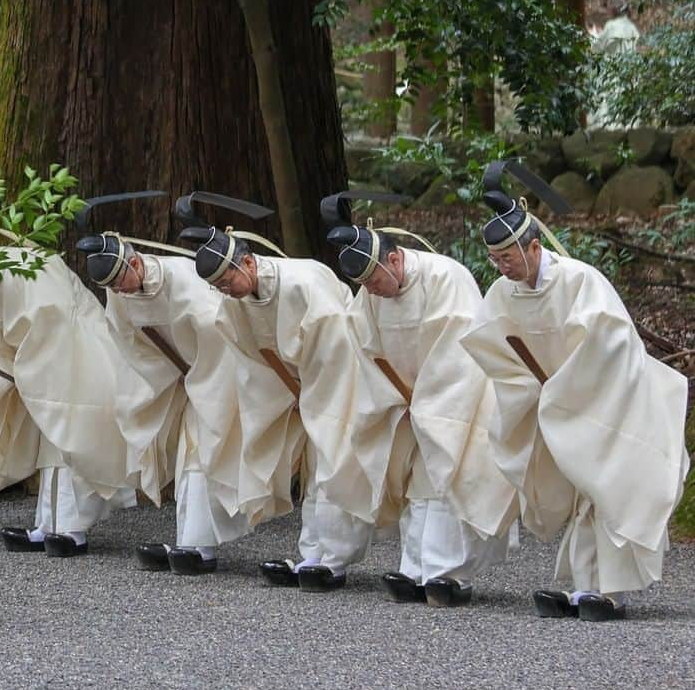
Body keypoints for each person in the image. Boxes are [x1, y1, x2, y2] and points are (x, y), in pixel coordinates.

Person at [459, 163, 690, 621]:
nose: (501, 267)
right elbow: (490, 344)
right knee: (586, 492)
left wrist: (564, 390)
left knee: (610, 486)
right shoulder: (504, 292)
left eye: (508, 256)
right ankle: (588, 587)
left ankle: (612, 592)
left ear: (534, 246)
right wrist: (533, 391)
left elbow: (611, 345)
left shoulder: (580, 281)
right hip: (563, 404)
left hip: (611, 400)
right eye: (495, 259)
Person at [325, 199, 518, 608]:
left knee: (449, 475)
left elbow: (458, 350)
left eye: (375, 281)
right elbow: (364, 345)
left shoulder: (446, 277)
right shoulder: (371, 294)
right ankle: (415, 566)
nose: (372, 291)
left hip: (456, 399)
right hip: (404, 401)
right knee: (415, 480)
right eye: (365, 287)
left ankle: (449, 575)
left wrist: (430, 402)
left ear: (394, 259)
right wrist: (392, 397)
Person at [0, 185, 147, 557]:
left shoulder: (20, 265)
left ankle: (72, 530)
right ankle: (48, 524)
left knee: (74, 438)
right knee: (54, 446)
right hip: (50, 361)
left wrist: (26, 366)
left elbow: (47, 318)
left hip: (77, 352)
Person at [181, 218, 371, 592]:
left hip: (342, 376)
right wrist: (287, 395)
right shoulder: (234, 301)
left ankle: (332, 561)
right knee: (315, 467)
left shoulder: (304, 285)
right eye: (217, 286)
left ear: (248, 263)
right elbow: (251, 354)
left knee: (332, 460)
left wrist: (315, 398)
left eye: (227, 281)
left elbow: (337, 347)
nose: (225, 291)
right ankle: (312, 556)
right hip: (298, 385)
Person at [76, 224, 250, 576]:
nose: (117, 291)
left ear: (135, 264)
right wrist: (170, 377)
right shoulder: (120, 292)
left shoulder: (183, 281)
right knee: (192, 456)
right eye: (109, 287)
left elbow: (218, 333)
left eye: (118, 281)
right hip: (185, 377)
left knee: (207, 452)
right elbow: (128, 340)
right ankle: (192, 542)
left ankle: (199, 546)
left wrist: (201, 377)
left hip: (219, 373)